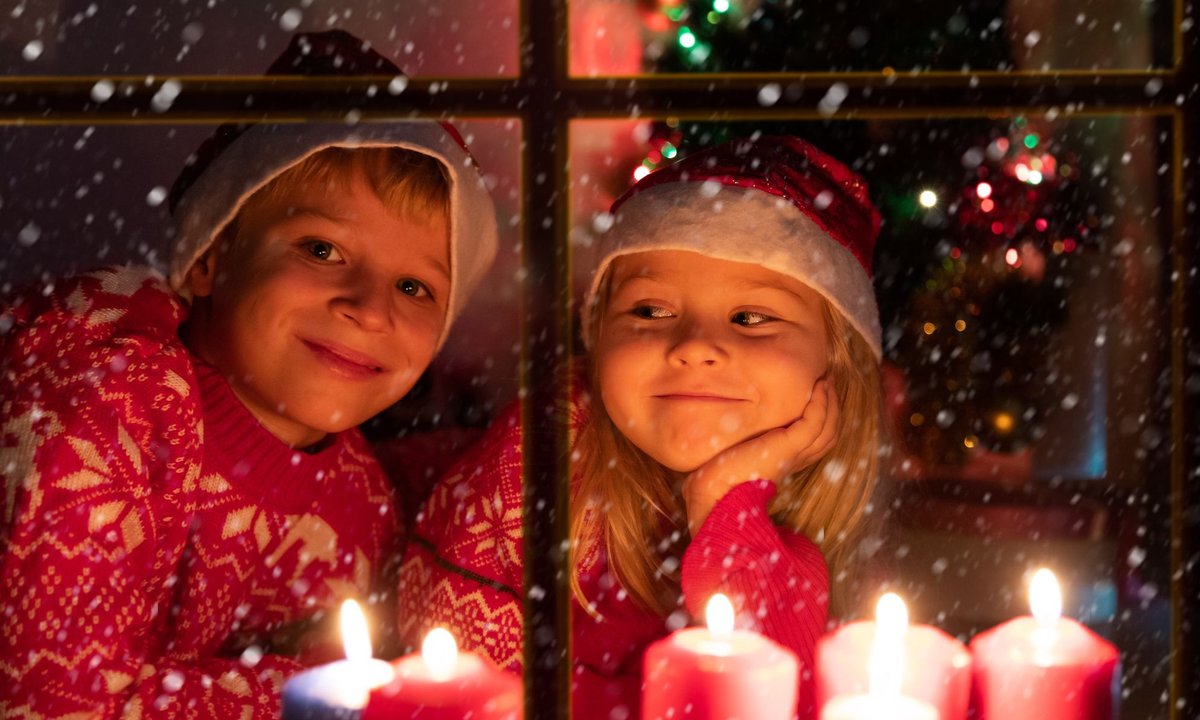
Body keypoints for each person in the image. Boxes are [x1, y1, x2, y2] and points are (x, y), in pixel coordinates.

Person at [0, 32, 498, 719]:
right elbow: (48, 701)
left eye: (414, 288)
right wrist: (313, 691)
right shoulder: (104, 396)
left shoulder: (362, 506)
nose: (368, 308)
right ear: (210, 257)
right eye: (322, 249)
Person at [400, 135, 885, 719]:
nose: (695, 346)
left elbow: (778, 703)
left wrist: (728, 503)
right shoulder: (545, 456)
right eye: (651, 311)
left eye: (751, 318)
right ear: (599, 336)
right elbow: (458, 691)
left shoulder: (810, 537)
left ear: (836, 361)